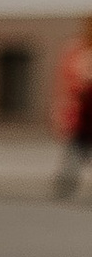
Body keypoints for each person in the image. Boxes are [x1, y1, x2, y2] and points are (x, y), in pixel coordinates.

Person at [53, 14, 92, 197]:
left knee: (75, 153)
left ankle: (65, 188)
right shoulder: (78, 49)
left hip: (85, 113)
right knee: (74, 153)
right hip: (82, 114)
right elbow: (69, 82)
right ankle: (64, 188)